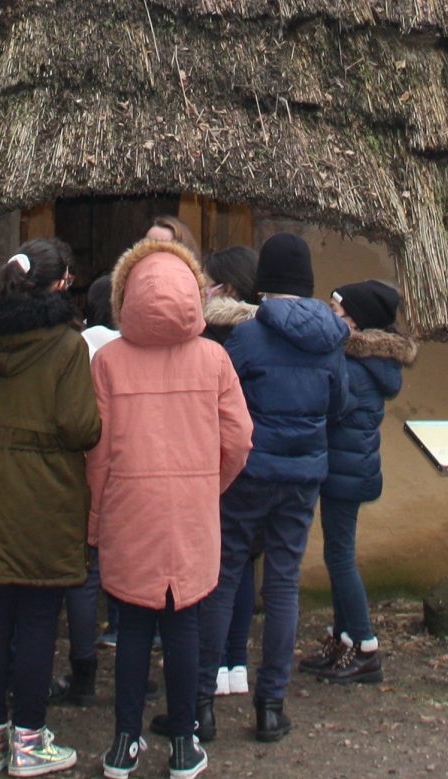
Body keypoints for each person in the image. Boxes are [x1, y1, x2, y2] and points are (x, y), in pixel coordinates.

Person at [91, 239, 252, 779]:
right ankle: (184, 742)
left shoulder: (109, 362)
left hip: (129, 510)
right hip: (191, 515)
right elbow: (240, 439)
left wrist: (95, 518)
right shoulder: (214, 358)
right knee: (184, 627)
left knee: (133, 629)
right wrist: (210, 486)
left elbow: (97, 451)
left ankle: (124, 743)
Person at [193, 232, 346, 744]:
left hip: (249, 475)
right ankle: (270, 706)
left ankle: (201, 706)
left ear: (264, 285)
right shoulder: (331, 340)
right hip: (302, 478)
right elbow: (339, 405)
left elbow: (221, 399)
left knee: (224, 576)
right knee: (283, 586)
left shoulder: (248, 337)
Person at [0, 238, 99, 777]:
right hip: (45, 492)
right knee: (39, 617)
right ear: (61, 283)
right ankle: (28, 740)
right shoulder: (66, 346)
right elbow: (78, 426)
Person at [310, 281, 415, 685]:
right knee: (338, 554)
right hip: (348, 469)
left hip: (345, 473)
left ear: (355, 320)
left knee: (339, 557)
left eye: (337, 310)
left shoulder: (354, 368)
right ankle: (344, 638)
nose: (330, 314)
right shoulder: (366, 363)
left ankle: (366, 646)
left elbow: (330, 406)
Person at [197, 246, 260, 700]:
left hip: (221, 461)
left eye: (210, 281)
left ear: (229, 288)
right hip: (254, 459)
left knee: (223, 568)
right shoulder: (266, 330)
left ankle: (215, 663)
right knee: (243, 565)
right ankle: (234, 661)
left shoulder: (219, 337)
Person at [56, 273, 121, 706]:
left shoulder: (76, 347)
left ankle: (83, 672)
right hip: (130, 474)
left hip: (81, 472)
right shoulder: (135, 351)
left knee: (86, 573)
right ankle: (128, 649)